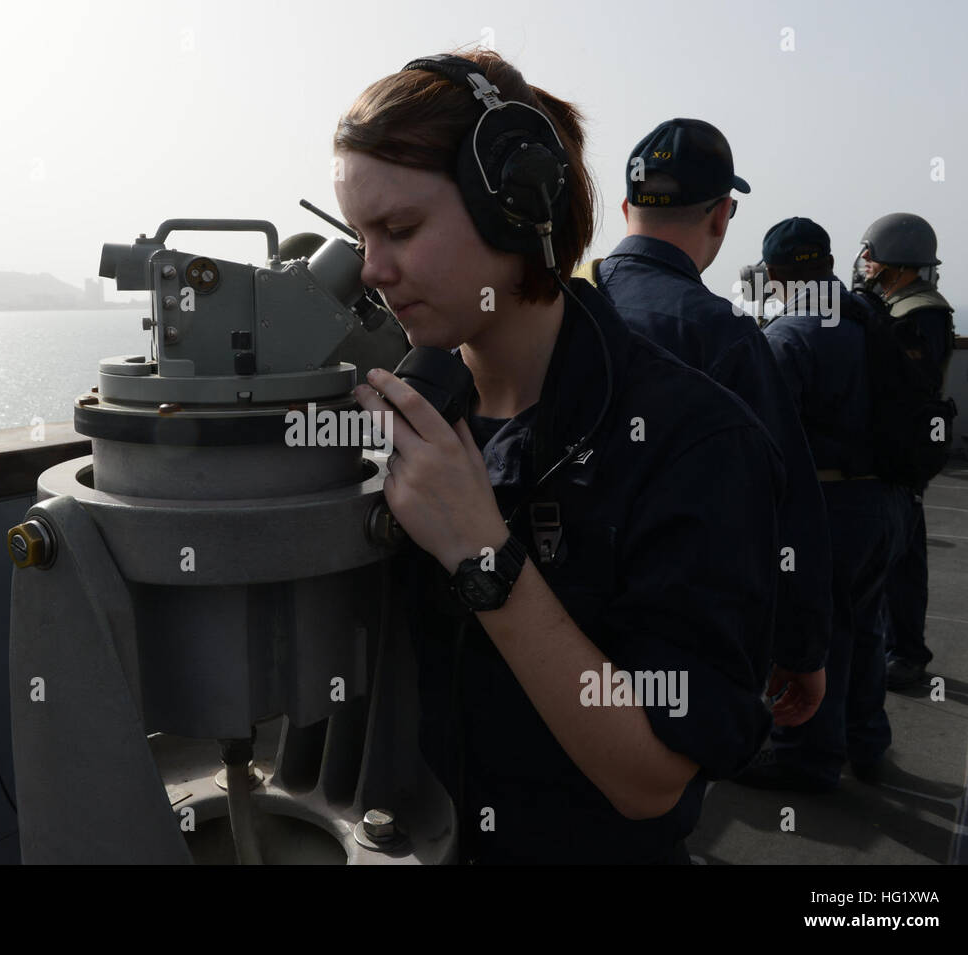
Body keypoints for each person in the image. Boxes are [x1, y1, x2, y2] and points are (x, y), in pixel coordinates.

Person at [334, 49, 783, 864]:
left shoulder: (693, 441)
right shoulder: (400, 412)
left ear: (517, 209)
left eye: (400, 229)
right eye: (360, 235)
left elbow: (653, 781)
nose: (372, 268)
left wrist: (484, 555)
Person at [590, 119, 831, 726]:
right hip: (668, 637)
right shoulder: (726, 338)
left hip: (542, 621)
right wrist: (801, 648)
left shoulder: (557, 306)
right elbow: (786, 500)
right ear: (722, 215)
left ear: (625, 206)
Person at [737, 218, 909, 791]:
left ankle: (805, 757)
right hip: (880, 501)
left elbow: (763, 437)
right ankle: (866, 742)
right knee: (865, 629)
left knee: (811, 632)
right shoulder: (867, 317)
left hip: (825, 505)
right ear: (829, 263)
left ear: (776, 272)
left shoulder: (789, 337)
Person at [855, 213, 956, 691]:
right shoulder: (908, 307)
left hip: (903, 450)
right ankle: (904, 651)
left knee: (900, 559)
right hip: (907, 447)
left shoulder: (918, 314)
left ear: (893, 263)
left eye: (872, 259)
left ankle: (905, 654)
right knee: (902, 553)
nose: (866, 267)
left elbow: (905, 386)